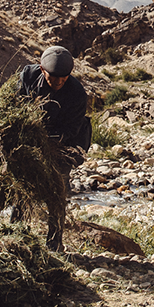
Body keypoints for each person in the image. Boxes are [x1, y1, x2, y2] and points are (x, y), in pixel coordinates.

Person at [16, 46, 91, 251]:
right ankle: (14, 232)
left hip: (66, 142)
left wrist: (46, 141)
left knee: (57, 189)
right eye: (53, 78)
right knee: (23, 183)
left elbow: (71, 128)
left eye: (63, 79)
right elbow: (15, 105)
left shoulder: (77, 94)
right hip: (32, 135)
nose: (57, 83)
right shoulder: (27, 76)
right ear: (42, 69)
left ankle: (55, 242)